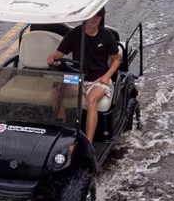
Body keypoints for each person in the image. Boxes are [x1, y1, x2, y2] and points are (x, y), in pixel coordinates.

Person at [49, 8, 121, 142]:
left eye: (97, 17)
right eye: (91, 16)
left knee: (92, 98)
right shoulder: (74, 34)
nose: (94, 20)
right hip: (78, 77)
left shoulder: (106, 35)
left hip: (99, 79)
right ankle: (64, 131)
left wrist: (107, 76)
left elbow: (116, 60)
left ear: (101, 18)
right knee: (57, 91)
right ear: (85, 17)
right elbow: (58, 56)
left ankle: (88, 143)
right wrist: (52, 59)